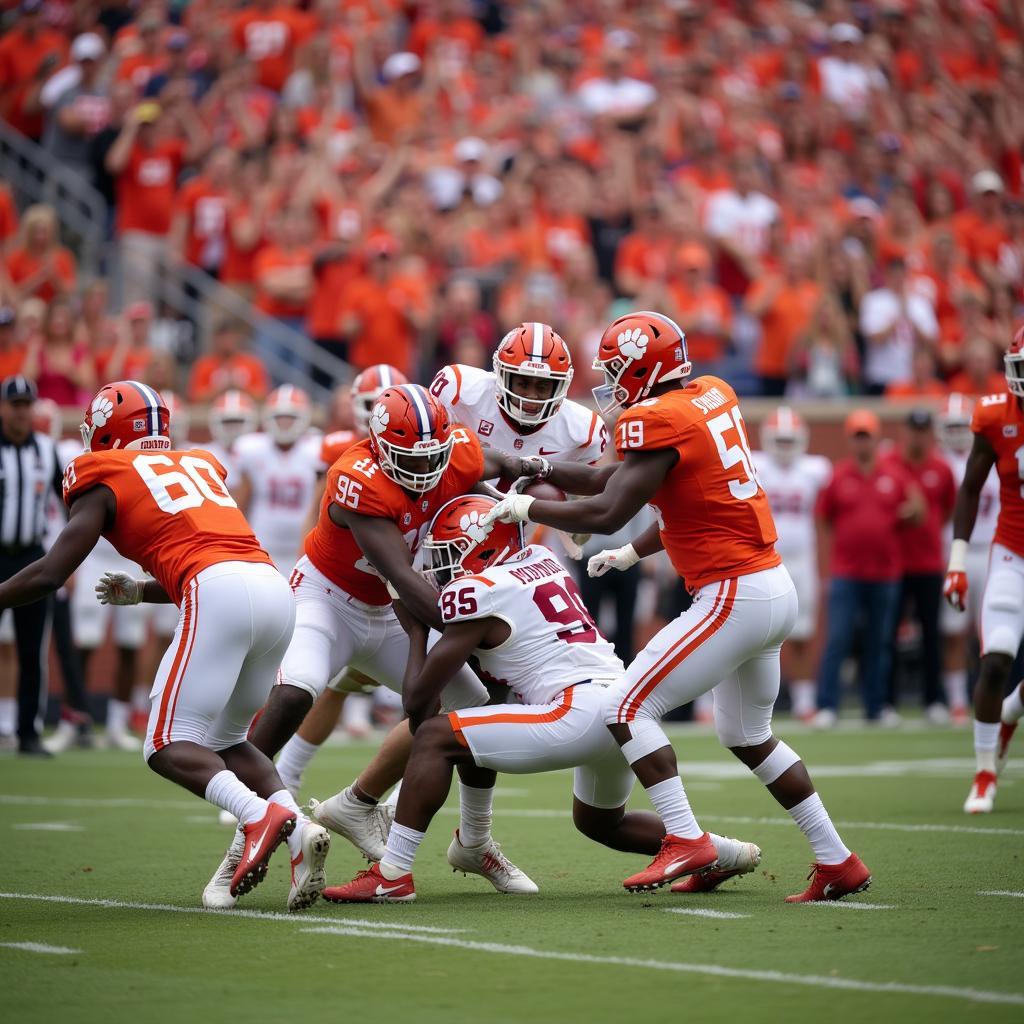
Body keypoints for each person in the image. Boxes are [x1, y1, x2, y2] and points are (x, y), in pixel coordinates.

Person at [483, 311, 870, 902]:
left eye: (618, 370)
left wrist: (526, 510)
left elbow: (608, 507)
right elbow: (681, 494)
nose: (611, 383)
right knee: (748, 734)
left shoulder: (656, 419)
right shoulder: (711, 395)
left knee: (626, 706)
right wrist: (540, 472)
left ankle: (686, 840)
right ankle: (836, 859)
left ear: (643, 367)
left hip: (733, 593)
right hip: (770, 586)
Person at [323, 496, 760, 903]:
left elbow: (418, 704)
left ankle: (393, 872)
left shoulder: (477, 591)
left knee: (438, 734)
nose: (444, 565)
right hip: (625, 708)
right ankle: (721, 851)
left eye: (450, 552)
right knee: (600, 822)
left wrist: (417, 630)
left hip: (578, 713)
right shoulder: (540, 558)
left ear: (484, 549)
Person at [203, 384, 539, 908]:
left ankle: (474, 840)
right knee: (296, 693)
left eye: (434, 456)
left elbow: (502, 462)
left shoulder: (457, 452)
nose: (425, 470)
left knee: (475, 709)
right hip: (329, 599)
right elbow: (406, 581)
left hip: (389, 608)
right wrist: (490, 624)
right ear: (380, 447)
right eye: (411, 457)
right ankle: (246, 838)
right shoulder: (355, 479)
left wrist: (540, 478)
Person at [0, 380, 330, 910]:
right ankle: (297, 831)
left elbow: (50, 573)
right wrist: (141, 591)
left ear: (108, 429)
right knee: (227, 741)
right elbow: (217, 554)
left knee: (163, 744)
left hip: (218, 589)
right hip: (272, 588)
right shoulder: (198, 463)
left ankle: (259, 816)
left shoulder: (102, 473)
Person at [310, 327, 607, 848]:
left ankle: (392, 813)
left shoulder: (582, 428)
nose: (534, 397)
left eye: (546, 387)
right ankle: (413, 820)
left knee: (468, 689)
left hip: (518, 554)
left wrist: (558, 508)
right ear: (498, 374)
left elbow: (598, 489)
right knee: (453, 686)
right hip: (445, 538)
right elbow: (422, 437)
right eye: (524, 382)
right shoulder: (458, 391)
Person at [275, 365, 407, 792]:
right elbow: (317, 514)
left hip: (391, 592)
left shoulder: (425, 451)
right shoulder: (339, 451)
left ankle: (393, 800)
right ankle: (279, 778)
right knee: (318, 684)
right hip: (338, 586)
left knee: (437, 693)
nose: (380, 415)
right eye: (371, 405)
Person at [944, 326, 1024, 814]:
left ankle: (1011, 713)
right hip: (1012, 551)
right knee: (996, 657)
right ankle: (984, 771)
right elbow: (970, 488)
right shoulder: (996, 416)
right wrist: (957, 562)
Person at [815, 410, 922, 725]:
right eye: (857, 436)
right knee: (838, 638)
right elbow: (824, 516)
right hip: (847, 571)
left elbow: (918, 512)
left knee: (881, 641)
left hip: (885, 572)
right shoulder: (839, 475)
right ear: (850, 439)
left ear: (876, 438)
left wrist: (909, 512)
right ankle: (827, 705)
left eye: (867, 435)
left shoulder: (894, 474)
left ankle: (876, 706)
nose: (863, 442)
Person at [751, 408, 831, 722]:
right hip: (766, 560)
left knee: (803, 632)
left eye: (789, 440)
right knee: (755, 634)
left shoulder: (814, 469)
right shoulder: (758, 466)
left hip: (802, 559)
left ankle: (803, 701)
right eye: (779, 440)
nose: (784, 446)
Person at [0, 376, 63, 756]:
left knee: (32, 648)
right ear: (4, 407)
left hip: (31, 556)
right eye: (15, 404)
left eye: (27, 404)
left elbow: (70, 501)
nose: (21, 412)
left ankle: (28, 732)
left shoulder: (47, 449)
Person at [883, 409, 956, 723]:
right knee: (889, 635)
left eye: (923, 430)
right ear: (906, 431)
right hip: (895, 563)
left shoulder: (941, 468)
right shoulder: (890, 464)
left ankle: (934, 700)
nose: (918, 436)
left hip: (928, 561)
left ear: (930, 433)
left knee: (931, 634)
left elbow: (950, 509)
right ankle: (886, 702)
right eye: (914, 430)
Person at [937, 394, 998, 723]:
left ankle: (988, 697)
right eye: (952, 426)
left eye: (963, 425)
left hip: (991, 551)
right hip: (954, 554)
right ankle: (958, 700)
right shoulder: (938, 463)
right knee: (954, 631)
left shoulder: (992, 455)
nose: (958, 432)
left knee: (991, 632)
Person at [233, 384, 321, 573]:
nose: (284, 423)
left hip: (305, 550)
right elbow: (240, 503)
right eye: (279, 417)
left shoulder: (317, 449)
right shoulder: (252, 448)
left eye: (290, 418)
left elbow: (321, 503)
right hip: (262, 548)